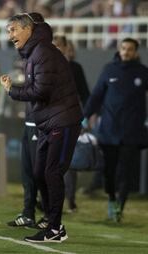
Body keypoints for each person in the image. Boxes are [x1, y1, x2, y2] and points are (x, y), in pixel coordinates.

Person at [0, 12, 83, 243]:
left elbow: (41, 91)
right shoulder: (36, 52)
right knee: (39, 172)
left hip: (63, 121)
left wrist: (12, 91)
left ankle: (55, 228)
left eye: (13, 30)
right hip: (50, 122)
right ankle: (50, 220)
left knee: (52, 172)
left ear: (28, 29)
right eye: (8, 31)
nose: (10, 36)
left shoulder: (43, 52)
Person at [83, 37, 148, 222]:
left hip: (132, 131)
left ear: (136, 52)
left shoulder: (143, 72)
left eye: (130, 49)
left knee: (125, 171)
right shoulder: (108, 69)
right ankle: (111, 199)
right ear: (119, 50)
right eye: (123, 48)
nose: (126, 52)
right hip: (109, 130)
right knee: (109, 171)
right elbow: (96, 95)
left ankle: (120, 205)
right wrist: (85, 116)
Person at [6, 58, 47, 229]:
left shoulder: (47, 68)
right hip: (29, 124)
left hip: (41, 125)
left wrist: (12, 89)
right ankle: (28, 213)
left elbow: (36, 93)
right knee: (27, 172)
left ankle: (49, 216)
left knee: (42, 173)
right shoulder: (33, 67)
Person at [53, 35, 91, 213]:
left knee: (67, 162)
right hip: (49, 120)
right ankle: (49, 200)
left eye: (60, 45)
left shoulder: (75, 68)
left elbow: (85, 94)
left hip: (69, 118)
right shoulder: (44, 65)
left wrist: (85, 118)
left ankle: (70, 199)